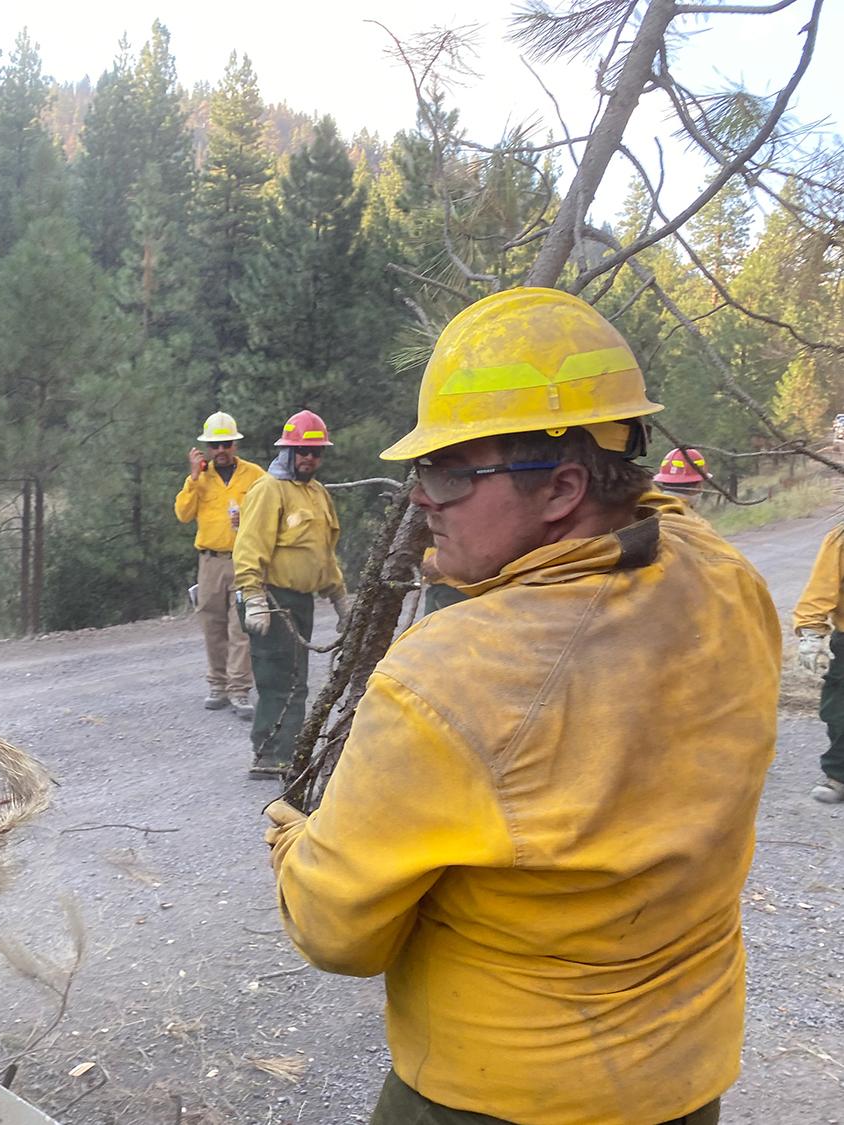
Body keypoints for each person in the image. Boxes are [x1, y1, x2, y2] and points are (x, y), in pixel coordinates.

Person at [265, 288, 781, 1125]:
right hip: (684, 1081)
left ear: (562, 487)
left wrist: (293, 840)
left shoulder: (450, 677)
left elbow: (336, 933)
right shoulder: (723, 576)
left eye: (449, 470)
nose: (420, 496)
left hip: (501, 1095)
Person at [231, 409, 347, 779]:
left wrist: (340, 598)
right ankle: (270, 756)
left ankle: (287, 753)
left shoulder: (316, 494)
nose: (310, 459)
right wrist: (254, 597)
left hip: (300, 601)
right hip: (271, 599)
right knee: (278, 679)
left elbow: (323, 553)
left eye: (316, 453)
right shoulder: (269, 489)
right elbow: (249, 546)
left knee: (297, 681)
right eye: (303, 452)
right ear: (287, 452)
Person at [174, 411, 266, 717]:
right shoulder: (199, 478)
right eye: (216, 445)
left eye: (227, 443)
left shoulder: (255, 475)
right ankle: (218, 685)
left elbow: (272, 510)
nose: (222, 450)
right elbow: (183, 514)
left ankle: (239, 691)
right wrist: (193, 479)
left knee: (241, 626)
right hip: (210, 563)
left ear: (235, 444)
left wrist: (250, 519)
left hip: (245, 560)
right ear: (207, 448)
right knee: (212, 625)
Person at [792, 527, 844, 803]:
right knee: (839, 712)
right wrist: (811, 634)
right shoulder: (841, 538)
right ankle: (839, 777)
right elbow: (821, 589)